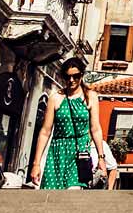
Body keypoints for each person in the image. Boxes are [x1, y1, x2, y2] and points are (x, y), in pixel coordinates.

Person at [29, 56, 99, 190]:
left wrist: (101, 158)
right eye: (67, 77)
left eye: (76, 76)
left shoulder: (91, 97)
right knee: (51, 195)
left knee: (73, 192)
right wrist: (36, 164)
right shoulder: (55, 98)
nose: (71, 80)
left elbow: (96, 129)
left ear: (82, 75)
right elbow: (45, 132)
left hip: (80, 153)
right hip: (57, 152)